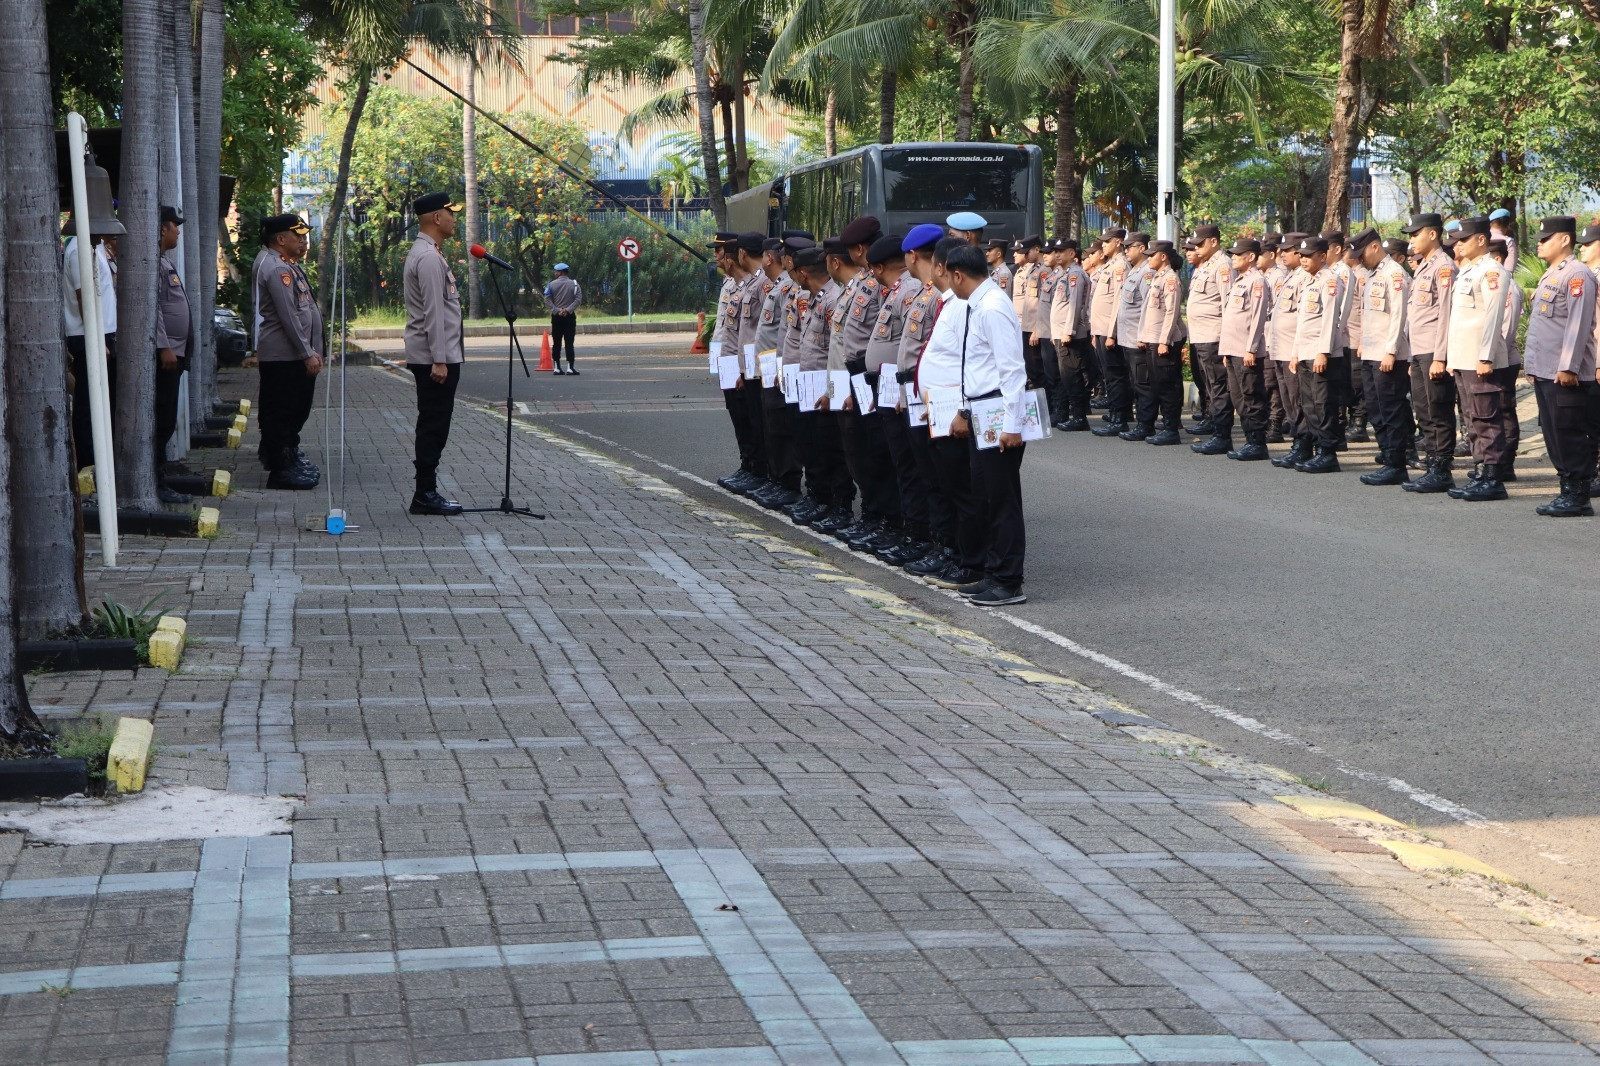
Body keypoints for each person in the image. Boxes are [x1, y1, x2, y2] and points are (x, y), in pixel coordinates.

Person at [943, 241, 1030, 607]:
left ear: (958, 275)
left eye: (948, 276)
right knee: (986, 496)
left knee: (1001, 498)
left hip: (998, 412)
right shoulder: (977, 304)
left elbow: (1011, 370)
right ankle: (993, 573)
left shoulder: (992, 307)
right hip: (982, 410)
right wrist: (965, 410)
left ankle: (1009, 581)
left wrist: (1012, 425)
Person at [1524, 216, 1596, 516]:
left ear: (1564, 240)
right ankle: (1567, 489)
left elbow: (1579, 325)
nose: (1539, 243)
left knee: (1569, 431)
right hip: (1545, 369)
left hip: (1563, 372)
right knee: (1554, 433)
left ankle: (1579, 496)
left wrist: (1568, 366)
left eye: (1545, 238)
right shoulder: (1552, 273)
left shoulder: (1577, 275)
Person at [402, 191, 466, 516]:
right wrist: (440, 358)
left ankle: (427, 490)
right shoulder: (427, 257)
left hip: (438, 356)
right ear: (437, 218)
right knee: (433, 425)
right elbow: (434, 313)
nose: (455, 218)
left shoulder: (431, 253)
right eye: (450, 213)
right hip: (434, 359)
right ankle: (424, 493)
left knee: (436, 424)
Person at [1440, 215, 1512, 501]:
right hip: (1463, 358)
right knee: (1472, 418)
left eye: (1464, 239)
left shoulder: (1492, 271)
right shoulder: (1468, 272)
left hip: (1480, 359)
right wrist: (1452, 358)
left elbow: (1493, 317)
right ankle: (1481, 472)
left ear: (1481, 240)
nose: (1458, 245)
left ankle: (1494, 478)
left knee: (1487, 418)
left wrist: (1486, 356)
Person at [252, 213, 322, 490]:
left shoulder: (287, 265)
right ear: (281, 239)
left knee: (295, 410)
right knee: (281, 412)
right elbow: (288, 316)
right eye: (298, 235)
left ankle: (288, 457)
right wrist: (307, 352)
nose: (304, 241)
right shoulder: (275, 268)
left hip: (293, 353)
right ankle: (280, 469)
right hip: (284, 355)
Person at [1401, 212, 1459, 494]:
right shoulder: (1423, 266)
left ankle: (1441, 470)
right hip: (1419, 350)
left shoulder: (1443, 267)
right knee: (1423, 410)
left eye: (1415, 234)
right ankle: (1431, 464)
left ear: (1432, 234)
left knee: (1438, 410)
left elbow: (1446, 313)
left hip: (1434, 352)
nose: (1411, 239)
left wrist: (1440, 356)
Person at [62, 211, 122, 472]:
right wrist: (97, 339)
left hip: (102, 332)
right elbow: (84, 297)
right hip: (87, 333)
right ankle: (86, 460)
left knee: (102, 397)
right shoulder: (78, 249)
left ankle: (97, 454)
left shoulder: (95, 247)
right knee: (88, 400)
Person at [1355, 226, 1414, 486]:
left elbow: (1399, 316)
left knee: (1391, 409)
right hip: (1370, 353)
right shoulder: (1372, 274)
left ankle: (1397, 463)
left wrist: (1390, 351)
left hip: (1388, 356)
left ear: (1375, 247)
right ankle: (1386, 455)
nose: (1359, 259)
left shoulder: (1395, 274)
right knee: (1375, 408)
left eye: (1362, 253)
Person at [749, 238, 802, 511]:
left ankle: (788, 482)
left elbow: (788, 335)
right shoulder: (779, 287)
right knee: (772, 426)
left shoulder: (790, 288)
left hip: (781, 367)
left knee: (782, 428)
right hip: (770, 367)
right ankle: (777, 478)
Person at [1287, 236, 1345, 473]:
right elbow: (1303, 322)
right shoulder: (1308, 281)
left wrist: (1323, 352)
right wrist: (1295, 353)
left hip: (1323, 354)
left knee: (1323, 404)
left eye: (1308, 256)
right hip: (1306, 353)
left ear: (1322, 256)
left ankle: (1328, 453)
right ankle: (1316, 449)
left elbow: (1330, 319)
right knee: (1309, 404)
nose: (1303, 260)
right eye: (1301, 255)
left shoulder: (1330, 280)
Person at [1217, 237, 1272, 461]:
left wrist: (1251, 349)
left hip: (1246, 351)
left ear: (1251, 257)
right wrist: (1225, 350)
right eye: (1232, 254)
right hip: (1233, 349)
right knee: (1239, 398)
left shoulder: (1257, 281)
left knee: (1252, 396)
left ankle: (1258, 443)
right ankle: (1250, 440)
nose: (1233, 258)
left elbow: (1258, 317)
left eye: (1238, 255)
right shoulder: (1240, 281)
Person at [153, 205, 192, 504]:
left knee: (166, 419)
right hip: (165, 354)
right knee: (162, 419)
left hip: (175, 353)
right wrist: (164, 345)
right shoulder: (152, 262)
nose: (178, 230)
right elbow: (153, 308)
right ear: (163, 228)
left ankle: (159, 476)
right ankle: (155, 479)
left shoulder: (164, 261)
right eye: (174, 225)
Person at [1185, 224, 1234, 453]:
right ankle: (1216, 427)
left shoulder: (1223, 266)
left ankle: (1222, 435)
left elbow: (1227, 305)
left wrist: (1226, 342)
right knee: (1210, 386)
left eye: (1200, 243)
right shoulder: (1204, 266)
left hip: (1214, 336)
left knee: (1218, 387)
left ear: (1213, 242)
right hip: (1201, 336)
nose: (1196, 248)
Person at [1137, 240, 1187, 446]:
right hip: (1153, 338)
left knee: (1167, 386)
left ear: (1163, 256)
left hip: (1164, 340)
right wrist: (1144, 335)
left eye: (1152, 255)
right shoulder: (1158, 278)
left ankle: (1171, 429)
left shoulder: (1170, 279)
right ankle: (1166, 425)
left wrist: (1164, 341)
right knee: (1158, 384)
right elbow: (1148, 312)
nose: (1149, 258)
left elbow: (1172, 312)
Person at [1267, 234, 1309, 465]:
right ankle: (1297, 443)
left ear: (1299, 252)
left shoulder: (1305, 279)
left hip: (1293, 350)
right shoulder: (1291, 277)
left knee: (1297, 399)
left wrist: (1296, 350)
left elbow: (1304, 318)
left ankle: (1303, 445)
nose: (1282, 254)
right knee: (1288, 400)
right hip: (1280, 349)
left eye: (1287, 250)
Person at [1110, 232, 1155, 440]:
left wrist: (1143, 335)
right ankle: (1140, 423)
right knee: (1135, 383)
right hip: (1127, 337)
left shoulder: (1147, 273)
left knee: (1143, 384)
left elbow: (1148, 307)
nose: (1126, 250)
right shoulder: (1134, 271)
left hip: (1138, 338)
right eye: (1125, 247)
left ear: (1143, 248)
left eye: (1131, 247)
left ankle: (1146, 425)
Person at [1487, 236, 1524, 482]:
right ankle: (1497, 461)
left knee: (1504, 409)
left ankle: (1507, 462)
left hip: (1504, 358)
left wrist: (1491, 354)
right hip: (1491, 356)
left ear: (1498, 259)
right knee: (1494, 411)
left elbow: (1507, 329)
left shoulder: (1508, 287)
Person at [1090, 228, 1133, 435]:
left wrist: (1112, 332)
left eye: (1107, 242)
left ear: (1118, 242)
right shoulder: (1109, 265)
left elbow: (1118, 300)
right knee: (1109, 374)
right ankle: (1116, 413)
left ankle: (1119, 418)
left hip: (1109, 329)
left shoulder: (1120, 266)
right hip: (1101, 328)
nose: (1103, 245)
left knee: (1116, 375)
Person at [1048, 238, 1093, 431]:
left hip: (1070, 335)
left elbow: (1074, 306)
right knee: (1067, 376)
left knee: (1073, 376)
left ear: (1072, 254)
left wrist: (1068, 331)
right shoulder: (1065, 274)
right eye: (1056, 251)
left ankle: (1080, 417)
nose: (1057, 254)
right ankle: (1076, 415)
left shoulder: (1075, 275)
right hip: (1060, 333)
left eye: (1062, 251)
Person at [545, 263, 581, 374]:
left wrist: (557, 310)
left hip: (556, 317)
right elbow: (578, 300)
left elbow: (547, 300)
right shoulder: (575, 284)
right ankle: (570, 368)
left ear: (560, 272)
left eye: (556, 271)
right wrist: (567, 310)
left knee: (556, 342)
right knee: (569, 342)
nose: (555, 273)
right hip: (569, 317)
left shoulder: (551, 285)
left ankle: (557, 367)